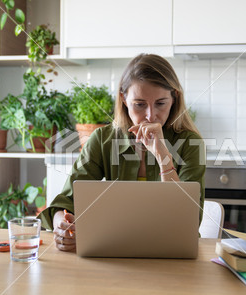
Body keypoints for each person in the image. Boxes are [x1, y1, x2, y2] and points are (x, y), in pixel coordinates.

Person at [38, 53, 206, 252]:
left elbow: (187, 220)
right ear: (124, 99)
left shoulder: (190, 143)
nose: (150, 115)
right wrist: (62, 227)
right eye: (140, 104)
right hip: (114, 253)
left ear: (174, 98)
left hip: (173, 254)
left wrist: (163, 155)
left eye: (160, 103)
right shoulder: (103, 140)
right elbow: (65, 202)